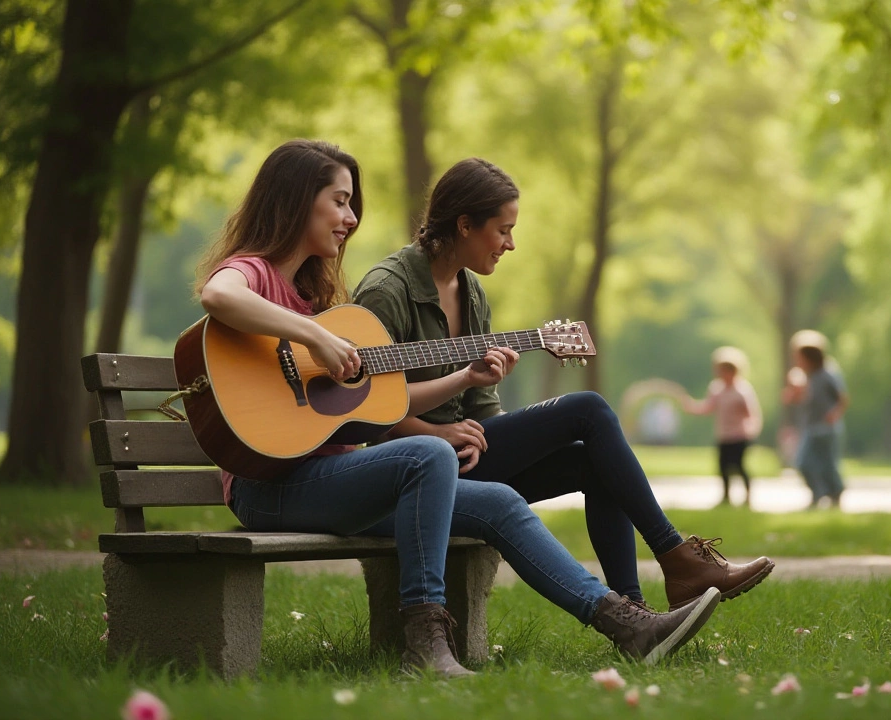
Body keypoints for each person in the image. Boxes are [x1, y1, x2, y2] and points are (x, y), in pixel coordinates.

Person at [195, 140, 722, 678]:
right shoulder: (257, 273)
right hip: (272, 485)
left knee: (496, 500)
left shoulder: (315, 294)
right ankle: (425, 645)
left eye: (352, 204)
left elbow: (375, 401)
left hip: (333, 475)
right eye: (339, 201)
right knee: (429, 451)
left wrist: (464, 378)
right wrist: (314, 336)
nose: (350, 218)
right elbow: (218, 295)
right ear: (294, 201)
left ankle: (628, 625)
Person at [353, 157, 775, 612]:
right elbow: (359, 413)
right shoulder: (386, 290)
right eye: (503, 230)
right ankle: (678, 559)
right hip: (410, 470)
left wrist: (521, 434)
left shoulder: (470, 292)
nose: (511, 244)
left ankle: (635, 612)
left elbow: (482, 409)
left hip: (468, 455)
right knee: (588, 408)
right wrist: (434, 434)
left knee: (597, 461)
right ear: (464, 226)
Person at [679, 346, 762, 507]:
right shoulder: (716, 389)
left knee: (738, 465)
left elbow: (751, 414)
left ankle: (747, 496)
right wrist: (691, 407)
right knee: (723, 466)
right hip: (724, 435)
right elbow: (708, 407)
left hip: (739, 435)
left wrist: (751, 430)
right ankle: (726, 497)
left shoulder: (742, 391)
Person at [781, 330, 848, 509]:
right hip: (810, 426)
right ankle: (818, 493)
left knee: (829, 464)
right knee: (804, 462)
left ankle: (835, 493)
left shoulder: (828, 373)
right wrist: (793, 394)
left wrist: (834, 413)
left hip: (827, 427)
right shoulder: (804, 376)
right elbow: (800, 398)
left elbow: (842, 398)